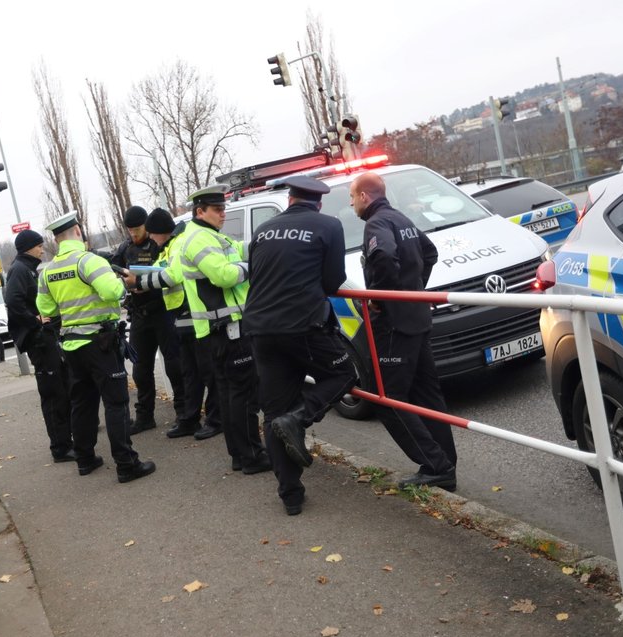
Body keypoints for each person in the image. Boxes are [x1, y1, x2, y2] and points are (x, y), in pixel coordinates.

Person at [246, 176, 358, 516]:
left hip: (260, 329)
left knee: (274, 412)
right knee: (344, 373)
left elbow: (256, 275)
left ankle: (291, 496)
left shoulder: (263, 230)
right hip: (303, 327)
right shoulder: (328, 225)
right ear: (318, 203)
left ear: (290, 199)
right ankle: (301, 417)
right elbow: (333, 280)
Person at [350, 171, 457, 491]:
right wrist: (414, 290)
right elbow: (430, 253)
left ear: (365, 197)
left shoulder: (377, 224)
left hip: (395, 325)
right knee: (427, 395)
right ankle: (445, 461)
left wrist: (383, 298)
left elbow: (382, 255)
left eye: (352, 197)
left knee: (387, 399)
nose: (352, 203)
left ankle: (436, 466)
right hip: (417, 318)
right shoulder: (400, 218)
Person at [36, 211, 156, 483]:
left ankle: (85, 459)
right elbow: (113, 292)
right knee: (116, 402)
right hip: (100, 343)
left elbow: (45, 308)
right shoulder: (89, 261)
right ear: (78, 231)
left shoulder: (48, 271)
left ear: (57, 239)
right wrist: (119, 281)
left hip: (72, 345)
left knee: (83, 401)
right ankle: (127, 464)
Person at [178, 184, 271, 475]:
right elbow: (225, 275)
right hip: (227, 329)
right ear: (200, 211)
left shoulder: (209, 236)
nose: (223, 214)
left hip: (219, 330)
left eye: (223, 208)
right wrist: (251, 267)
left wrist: (259, 245)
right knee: (243, 395)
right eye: (217, 209)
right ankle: (252, 456)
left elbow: (236, 252)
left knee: (232, 394)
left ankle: (240, 455)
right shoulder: (198, 239)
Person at [127, 212, 222, 441]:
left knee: (207, 372)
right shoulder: (169, 246)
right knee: (189, 373)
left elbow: (172, 275)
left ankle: (216, 420)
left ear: (159, 232)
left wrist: (140, 282)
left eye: (152, 233)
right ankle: (189, 420)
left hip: (194, 315)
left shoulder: (179, 244)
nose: (150, 237)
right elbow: (160, 269)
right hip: (182, 317)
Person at [109, 206, 186, 435]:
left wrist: (144, 283)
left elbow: (169, 273)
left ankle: (183, 412)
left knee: (174, 364)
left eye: (138, 229)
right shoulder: (125, 248)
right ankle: (144, 416)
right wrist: (124, 282)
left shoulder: (157, 243)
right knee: (140, 368)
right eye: (130, 231)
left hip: (162, 311)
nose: (134, 234)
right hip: (140, 315)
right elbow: (114, 269)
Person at [5, 228, 76, 463]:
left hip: (43, 338)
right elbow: (13, 300)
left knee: (61, 388)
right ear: (29, 247)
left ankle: (66, 441)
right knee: (53, 393)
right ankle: (61, 447)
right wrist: (34, 320)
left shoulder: (26, 269)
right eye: (38, 245)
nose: (42, 249)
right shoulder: (20, 270)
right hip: (38, 341)